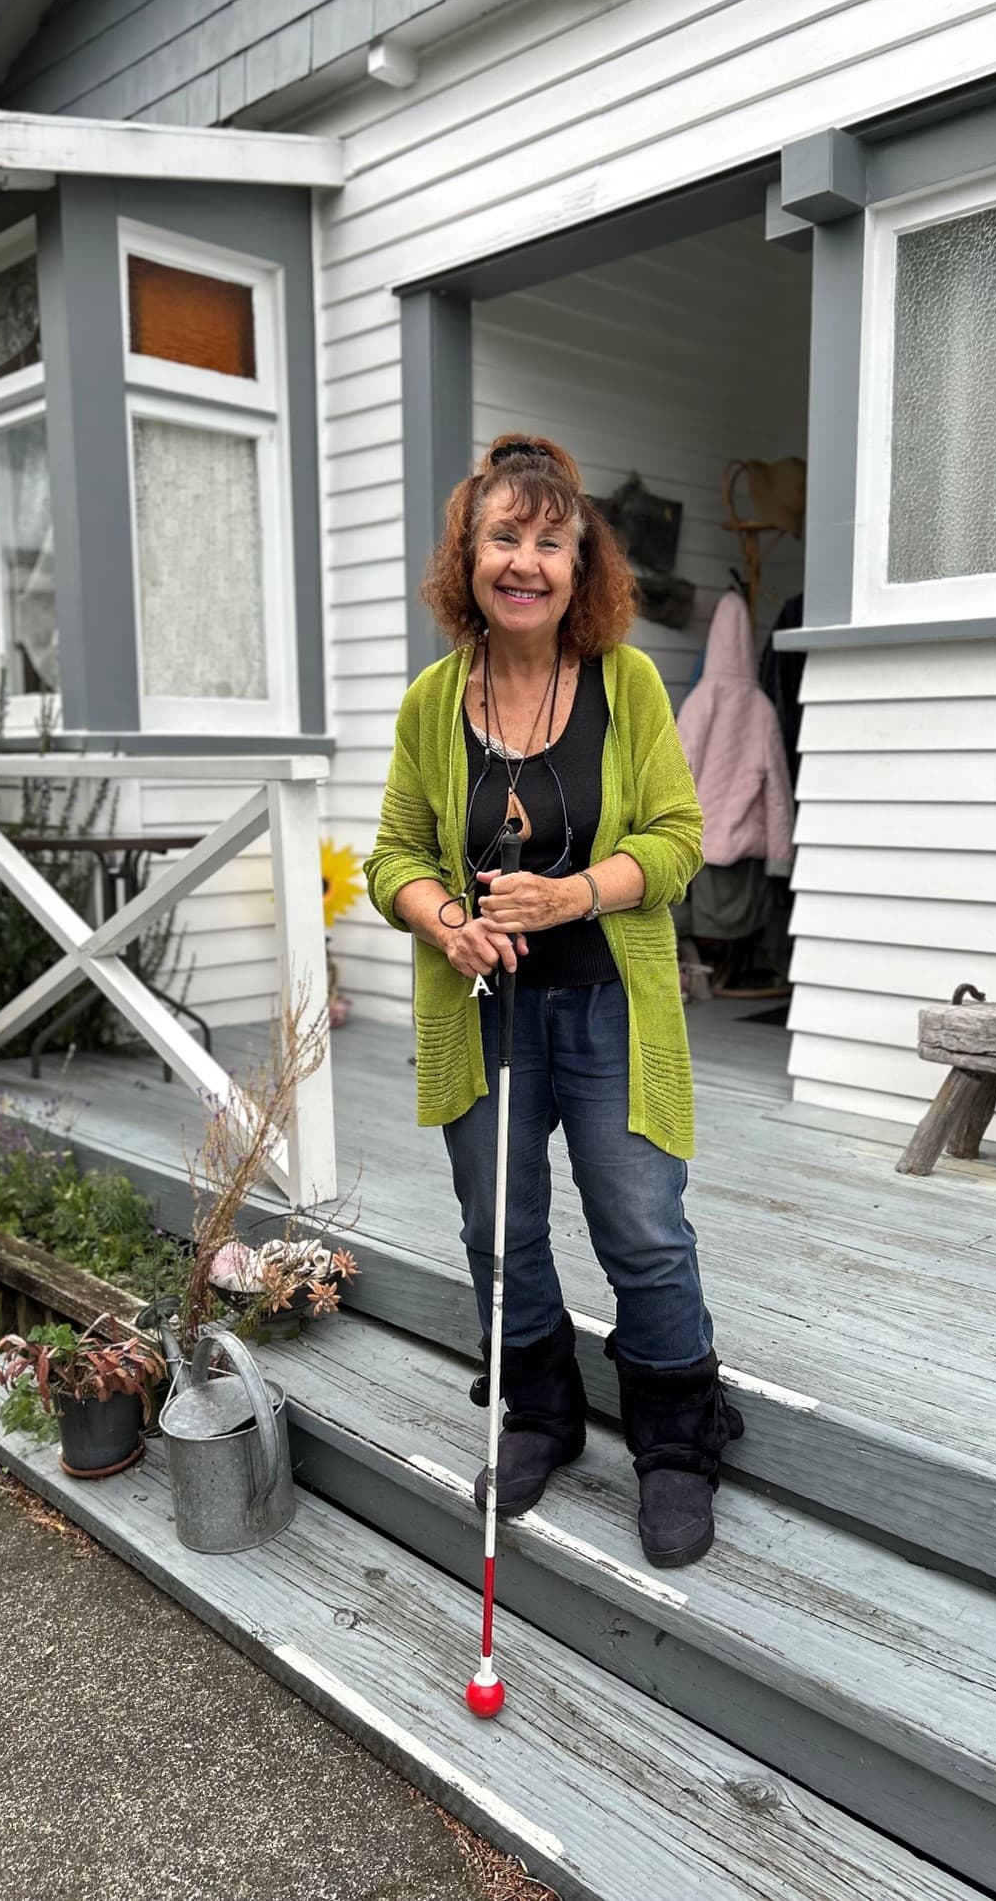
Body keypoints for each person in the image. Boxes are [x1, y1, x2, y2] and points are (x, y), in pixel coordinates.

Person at [364, 435, 741, 1568]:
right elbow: (392, 857)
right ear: (465, 557)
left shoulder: (624, 685)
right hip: (483, 1014)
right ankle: (539, 1414)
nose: (524, 562)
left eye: (549, 542)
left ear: (580, 568)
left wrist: (571, 892)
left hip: (608, 1010)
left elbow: (677, 842)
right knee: (498, 1229)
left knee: (641, 1227)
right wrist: (447, 918)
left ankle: (675, 1440)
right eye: (502, 538)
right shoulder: (433, 703)